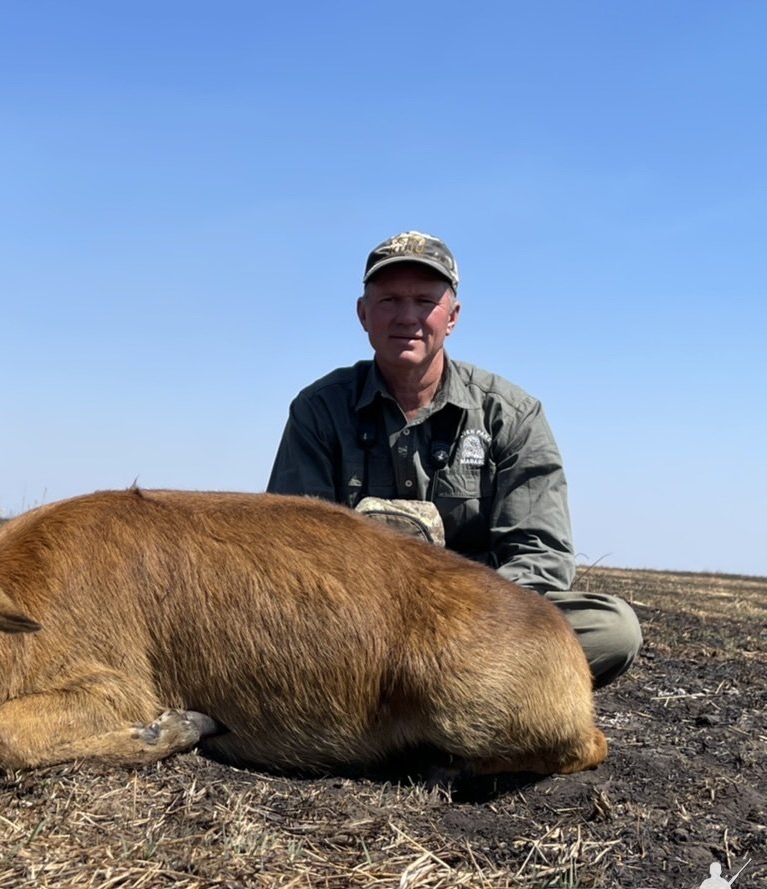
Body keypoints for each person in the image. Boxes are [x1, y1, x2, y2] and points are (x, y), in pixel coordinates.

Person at [267, 230, 641, 688]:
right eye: (389, 300)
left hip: (474, 627)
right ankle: (440, 703)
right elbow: (289, 552)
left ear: (453, 316)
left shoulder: (512, 416)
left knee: (613, 627)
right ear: (363, 314)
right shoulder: (319, 409)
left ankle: (402, 700)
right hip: (352, 629)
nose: (407, 317)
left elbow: (540, 556)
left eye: (425, 301)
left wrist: (455, 616)